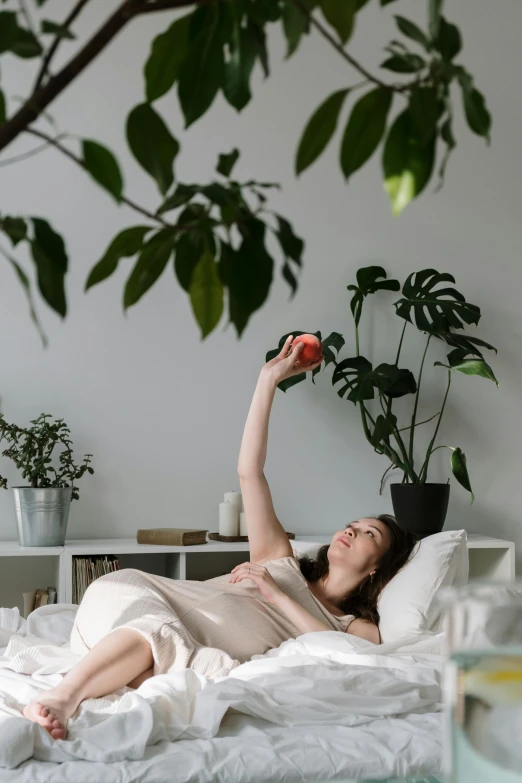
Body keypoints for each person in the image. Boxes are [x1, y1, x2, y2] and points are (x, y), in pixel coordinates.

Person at [22, 336, 417, 741]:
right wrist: (267, 382)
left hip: (152, 647)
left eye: (370, 533)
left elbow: (345, 651)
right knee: (160, 631)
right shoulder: (278, 559)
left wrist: (277, 595)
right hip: (130, 601)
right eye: (352, 523)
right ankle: (62, 698)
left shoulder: (352, 628)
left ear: (376, 568)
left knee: (197, 665)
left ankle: (112, 677)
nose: (351, 529)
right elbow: (250, 472)